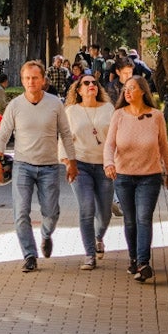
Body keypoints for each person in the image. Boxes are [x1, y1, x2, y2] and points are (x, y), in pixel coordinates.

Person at [0, 60, 77, 272]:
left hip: (49, 166)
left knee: (51, 212)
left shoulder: (55, 103)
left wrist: (72, 162)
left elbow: (66, 134)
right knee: (21, 212)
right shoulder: (15, 105)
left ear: (43, 80)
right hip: (23, 165)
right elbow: (2, 135)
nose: (31, 82)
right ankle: (29, 255)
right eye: (27, 78)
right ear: (22, 81)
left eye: (35, 78)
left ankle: (46, 234)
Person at [104, 75, 168, 283]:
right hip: (124, 176)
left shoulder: (156, 116)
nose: (127, 92)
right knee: (130, 220)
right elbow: (109, 145)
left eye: (132, 88)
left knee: (143, 218)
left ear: (143, 91)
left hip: (149, 177)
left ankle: (144, 263)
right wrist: (109, 163)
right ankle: (134, 258)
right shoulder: (118, 115)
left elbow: (164, 145)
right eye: (126, 88)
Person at [63, 73, 114, 270]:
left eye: (94, 83)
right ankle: (89, 254)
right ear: (79, 89)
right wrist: (68, 162)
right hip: (80, 164)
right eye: (86, 83)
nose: (91, 85)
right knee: (86, 208)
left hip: (104, 165)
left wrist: (114, 161)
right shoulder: (71, 111)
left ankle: (98, 236)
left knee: (105, 213)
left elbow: (114, 137)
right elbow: (64, 138)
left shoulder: (108, 109)